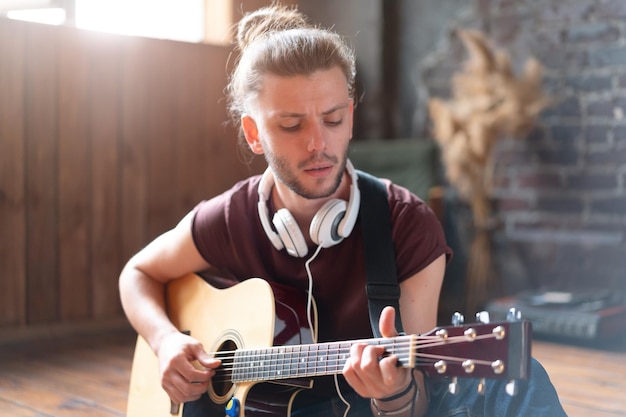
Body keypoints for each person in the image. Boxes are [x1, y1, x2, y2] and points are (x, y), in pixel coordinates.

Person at [119, 4, 567, 417]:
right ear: (254, 134)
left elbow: (419, 401)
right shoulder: (231, 217)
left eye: (333, 119)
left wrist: (393, 393)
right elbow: (137, 274)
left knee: (527, 385)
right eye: (291, 125)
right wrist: (165, 340)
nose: (319, 143)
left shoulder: (407, 226)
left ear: (351, 116)